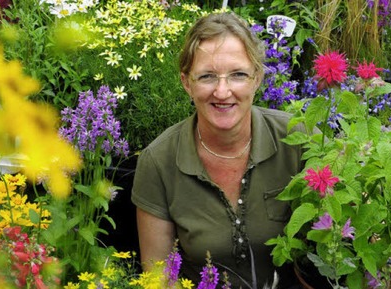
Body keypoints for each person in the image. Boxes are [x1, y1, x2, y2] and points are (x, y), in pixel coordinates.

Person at [131, 12, 307, 288]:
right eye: (207, 76)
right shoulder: (159, 162)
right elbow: (160, 278)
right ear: (186, 82)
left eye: (237, 75)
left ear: (257, 78)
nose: (222, 92)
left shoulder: (298, 139)